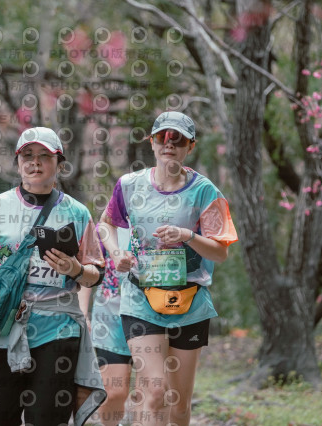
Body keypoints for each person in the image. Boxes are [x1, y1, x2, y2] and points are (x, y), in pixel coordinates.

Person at [0, 127, 107, 426]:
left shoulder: (78, 212)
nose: (35, 162)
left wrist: (75, 269)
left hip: (58, 329)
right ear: (18, 162)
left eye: (45, 156)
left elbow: (96, 274)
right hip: (1, 325)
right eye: (27, 155)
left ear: (59, 164)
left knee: (48, 418)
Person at [99, 111, 238, 426]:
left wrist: (188, 236)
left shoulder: (205, 192)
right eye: (163, 137)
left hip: (189, 302)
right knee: (156, 391)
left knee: (179, 404)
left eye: (178, 139)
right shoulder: (129, 185)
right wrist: (117, 252)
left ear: (190, 146)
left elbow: (220, 253)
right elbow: (106, 223)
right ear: (152, 142)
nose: (169, 144)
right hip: (141, 299)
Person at [81, 226, 133, 426]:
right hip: (110, 321)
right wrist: (83, 313)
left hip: (154, 316)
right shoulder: (104, 229)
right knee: (114, 392)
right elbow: (87, 269)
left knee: (153, 392)